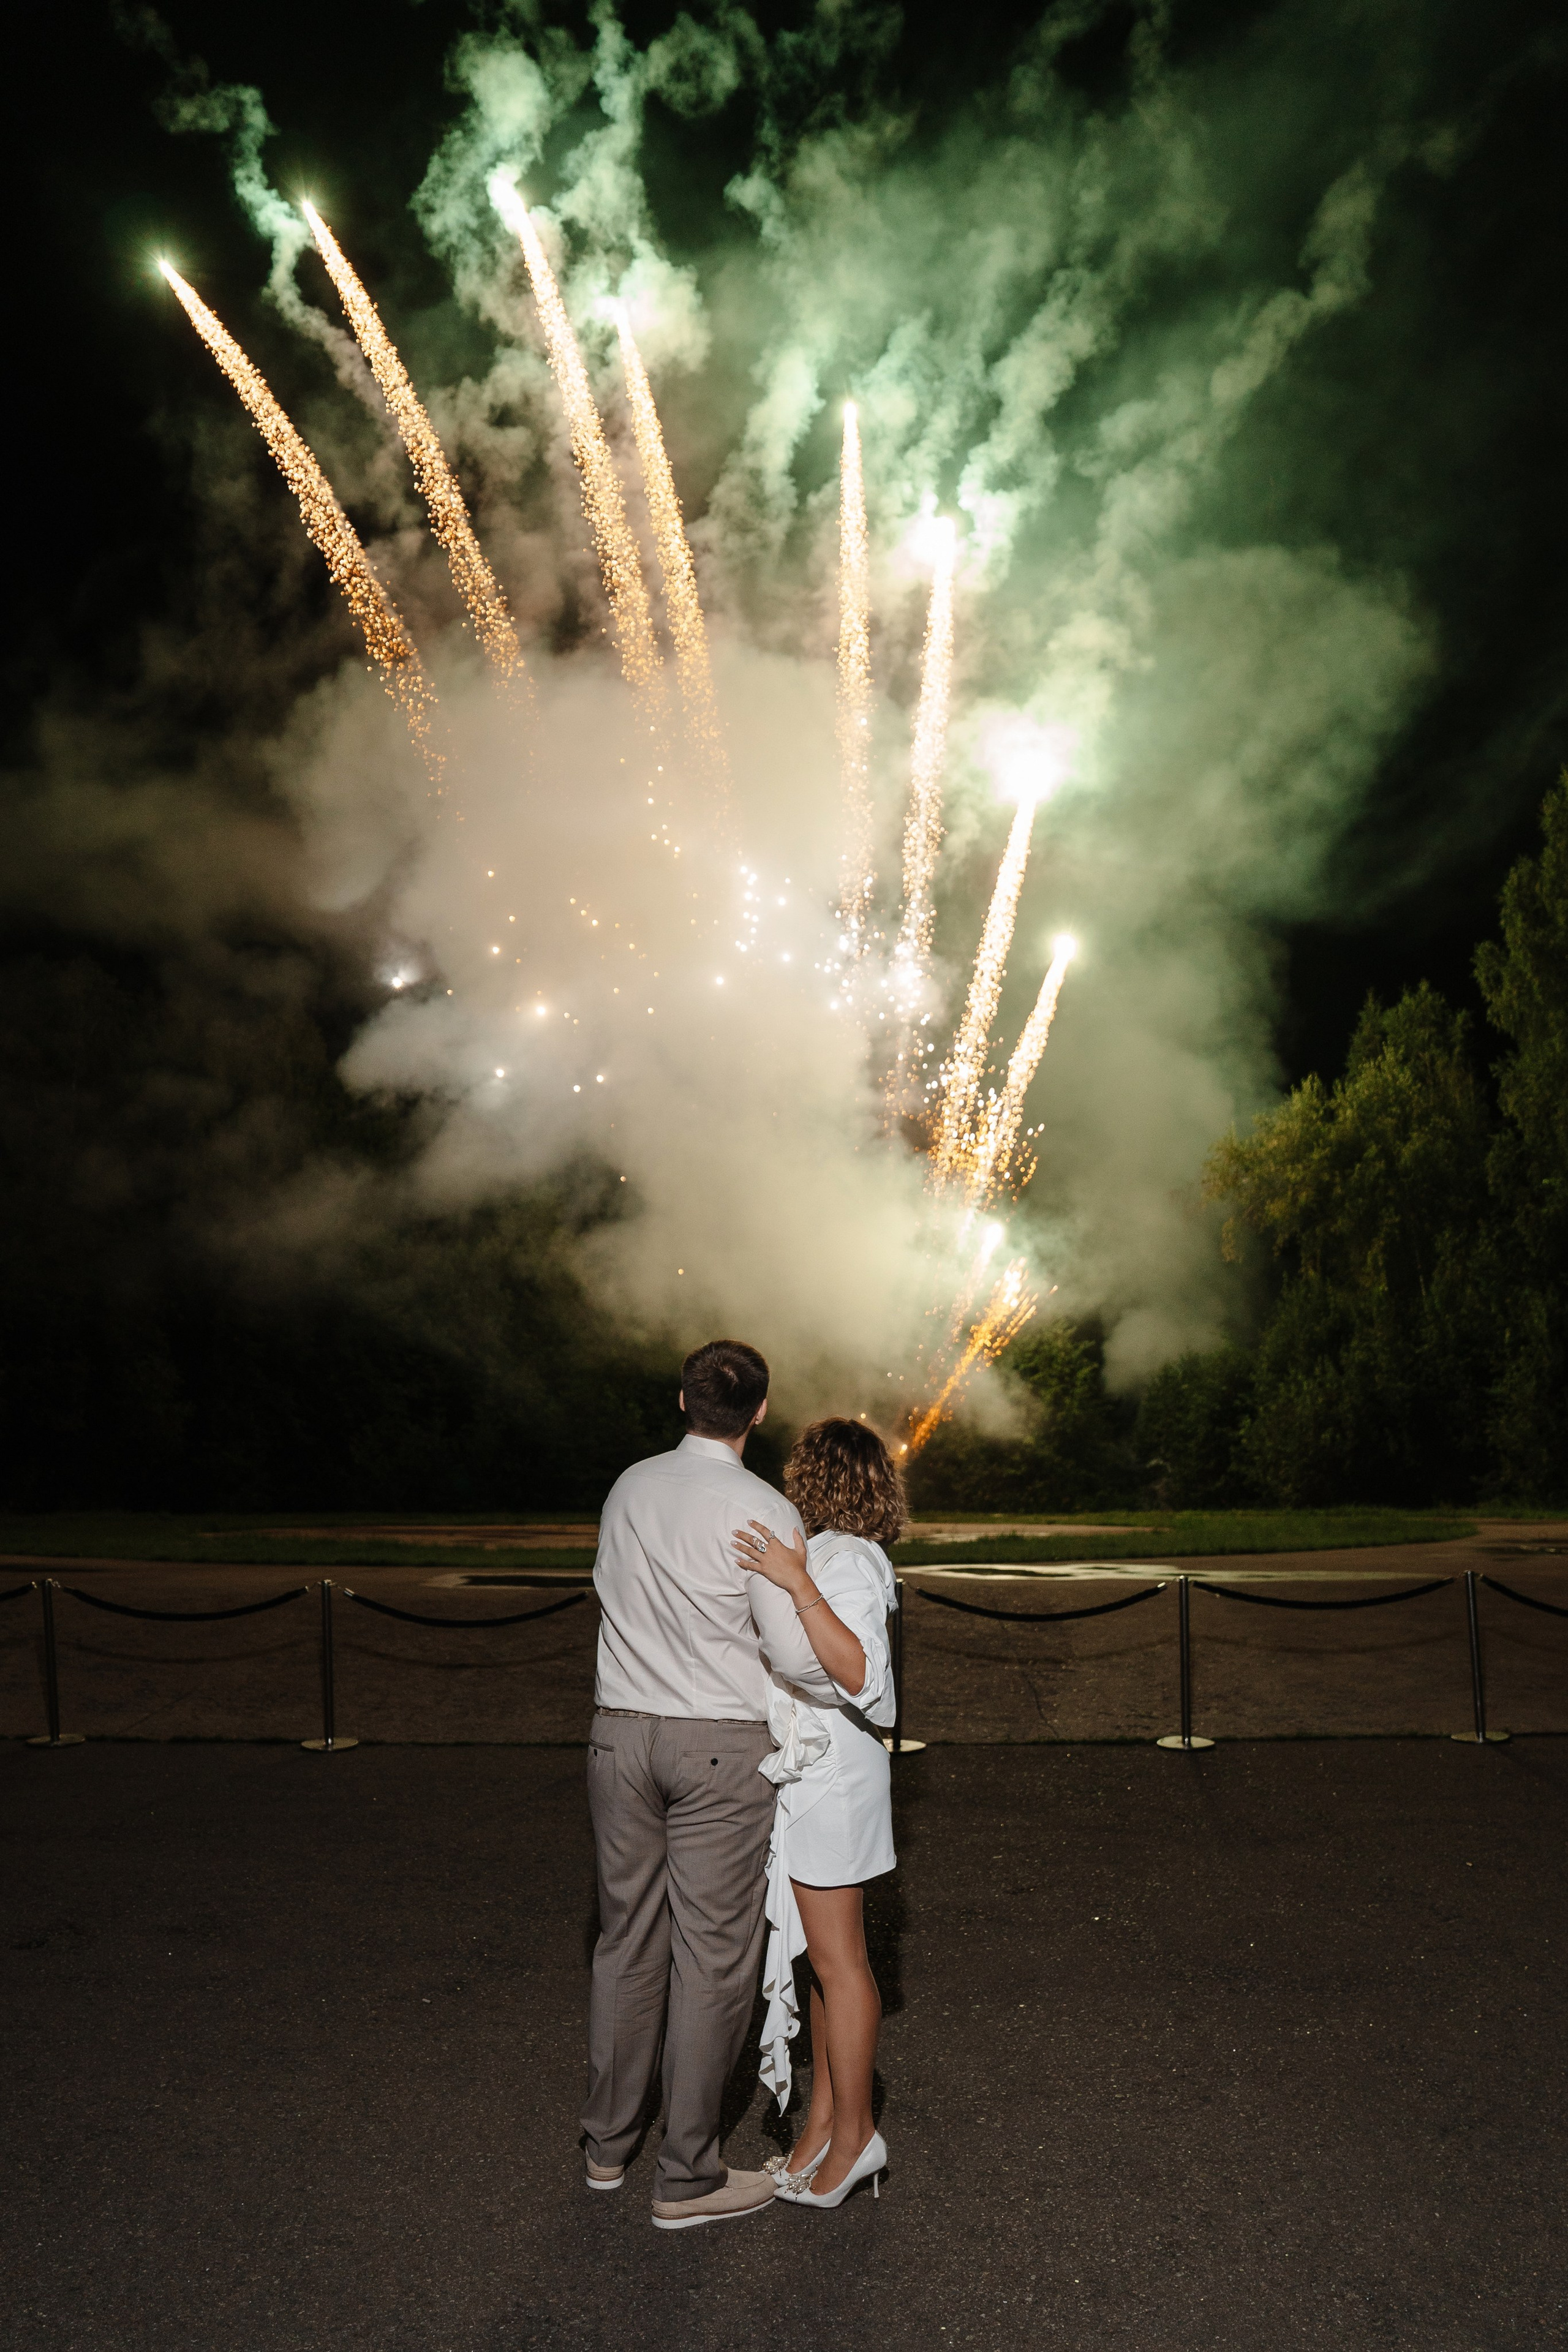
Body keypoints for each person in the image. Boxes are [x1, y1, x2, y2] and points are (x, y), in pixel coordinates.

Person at [581, 1338, 835, 2230]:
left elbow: (608, 1594)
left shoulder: (628, 1487)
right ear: (760, 1412)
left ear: (681, 1400)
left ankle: (608, 2148)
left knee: (624, 1940)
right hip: (718, 1743)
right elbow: (798, 1655)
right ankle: (687, 2175)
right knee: (714, 1958)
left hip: (619, 1735)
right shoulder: (762, 1510)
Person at [731, 1415, 905, 2210]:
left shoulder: (854, 1563)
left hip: (836, 1776)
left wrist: (797, 1583)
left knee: (843, 1966)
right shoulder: (841, 1552)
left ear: (819, 1478)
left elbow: (860, 1670)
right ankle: (822, 2133)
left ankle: (856, 2138)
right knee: (826, 1969)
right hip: (821, 1773)